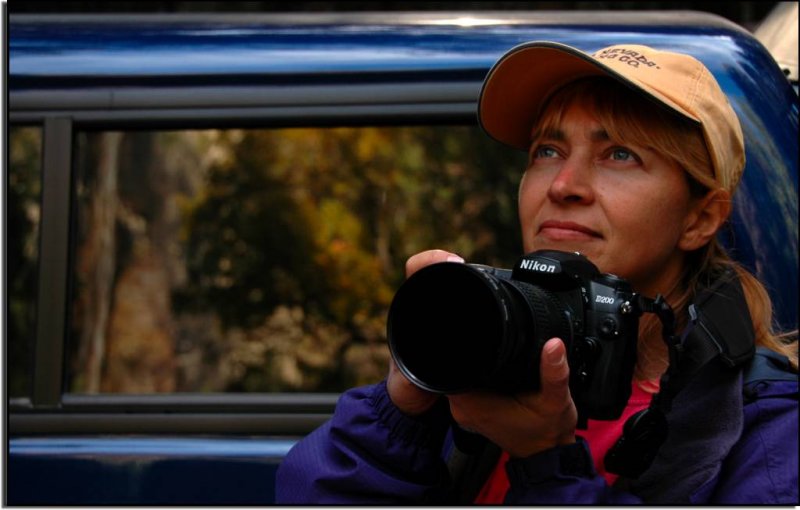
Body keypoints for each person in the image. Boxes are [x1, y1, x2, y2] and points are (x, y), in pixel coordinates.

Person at [275, 42, 798, 504]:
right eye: (547, 150)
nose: (564, 184)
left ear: (700, 218)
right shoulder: (484, 364)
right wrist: (402, 411)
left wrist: (547, 462)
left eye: (620, 154)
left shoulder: (766, 435)